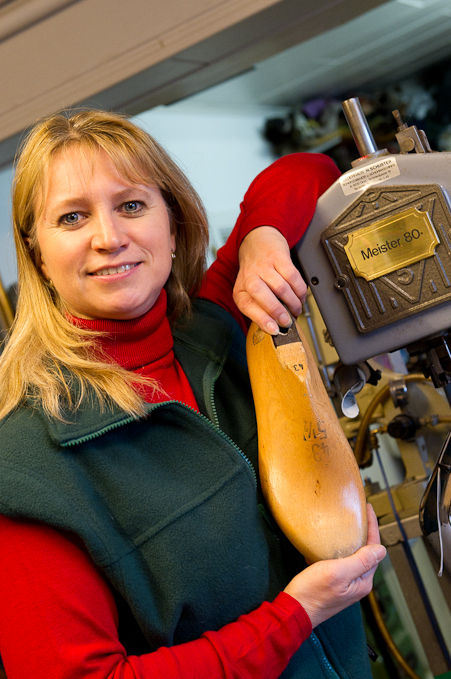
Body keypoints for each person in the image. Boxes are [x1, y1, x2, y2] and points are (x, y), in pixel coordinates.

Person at [0, 109, 386, 679]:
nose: (109, 238)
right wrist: (298, 615)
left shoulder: (216, 324)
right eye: (72, 217)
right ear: (37, 254)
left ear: (173, 225)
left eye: (132, 205)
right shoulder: (25, 465)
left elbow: (308, 170)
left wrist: (261, 239)